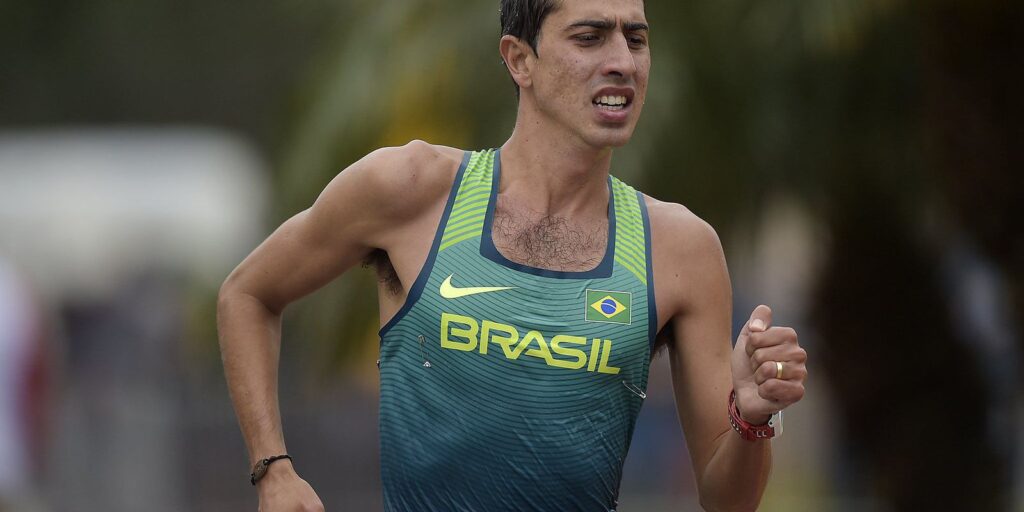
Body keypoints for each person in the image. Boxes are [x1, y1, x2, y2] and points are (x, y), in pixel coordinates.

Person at [217, 0, 808, 510]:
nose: (623, 62)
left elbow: (728, 499)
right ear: (519, 58)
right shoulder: (412, 190)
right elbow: (247, 293)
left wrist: (752, 420)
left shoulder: (681, 247)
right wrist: (273, 469)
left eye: (636, 38)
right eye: (590, 36)